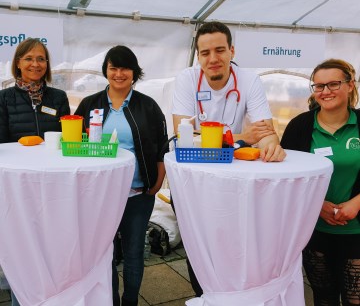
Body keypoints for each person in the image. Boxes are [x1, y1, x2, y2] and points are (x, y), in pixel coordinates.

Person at [171, 21, 286, 296]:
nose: (213, 59)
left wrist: (272, 144)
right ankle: (206, 297)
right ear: (198, 56)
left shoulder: (248, 80)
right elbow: (183, 135)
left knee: (235, 246)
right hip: (193, 181)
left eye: (220, 50)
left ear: (232, 51)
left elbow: (266, 132)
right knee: (199, 246)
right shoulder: (186, 79)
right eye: (205, 52)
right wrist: (242, 137)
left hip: (232, 182)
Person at [75, 45, 168, 306]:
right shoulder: (89, 104)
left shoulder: (148, 106)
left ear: (134, 72)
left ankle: (129, 301)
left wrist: (157, 182)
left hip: (137, 193)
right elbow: (76, 145)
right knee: (105, 252)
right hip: (99, 196)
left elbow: (162, 146)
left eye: (125, 67)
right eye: (113, 67)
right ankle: (110, 300)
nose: (119, 73)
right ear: (106, 70)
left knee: (134, 251)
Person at [281, 59, 360, 306]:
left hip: (356, 230)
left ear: (350, 85)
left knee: (355, 299)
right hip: (314, 229)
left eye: (334, 84)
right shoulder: (300, 126)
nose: (326, 91)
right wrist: (318, 205)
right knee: (323, 298)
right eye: (319, 86)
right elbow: (286, 178)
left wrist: (358, 202)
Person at [0, 38, 70, 305]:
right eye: (29, 58)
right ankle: (23, 298)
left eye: (41, 59)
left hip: (54, 186)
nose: (35, 64)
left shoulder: (58, 98)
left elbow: (68, 140)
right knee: (23, 249)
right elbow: (2, 147)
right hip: (19, 187)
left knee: (53, 247)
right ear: (18, 63)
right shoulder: (4, 99)